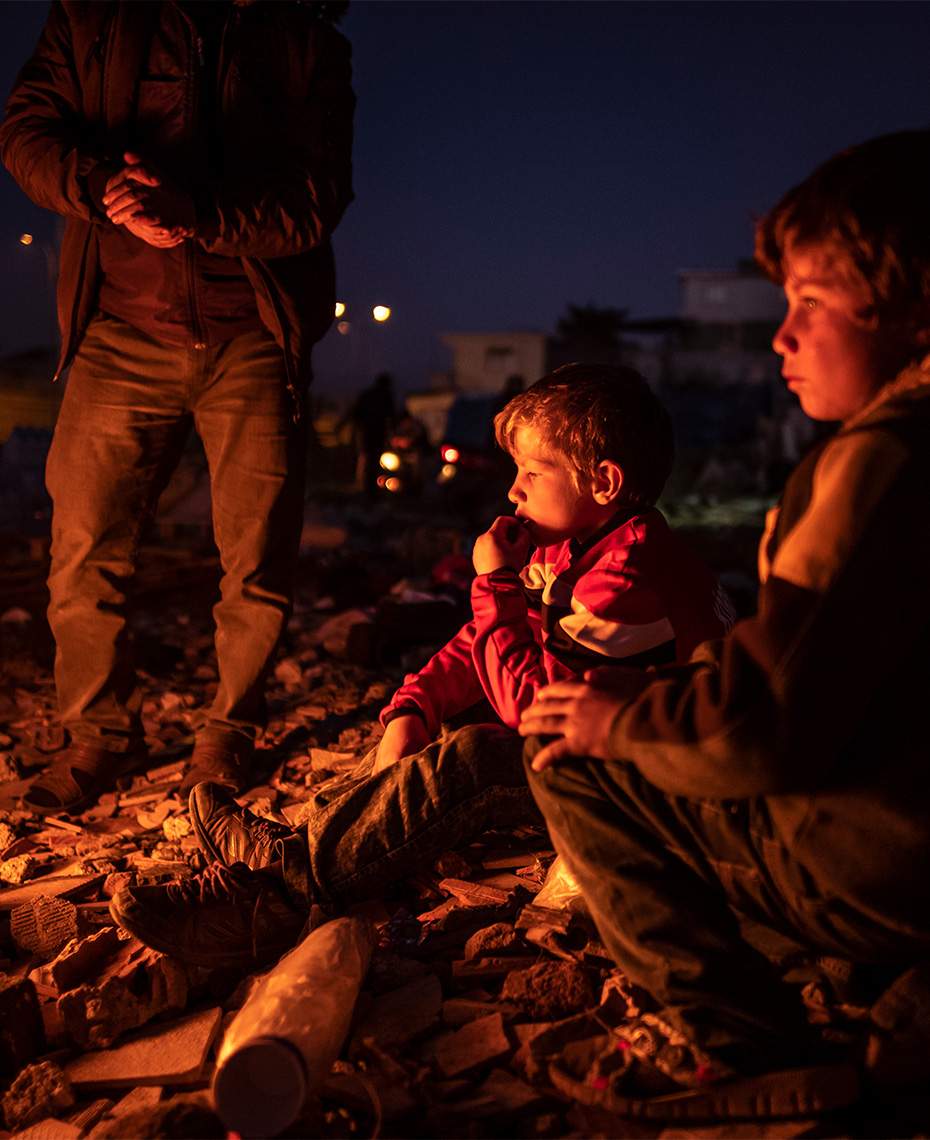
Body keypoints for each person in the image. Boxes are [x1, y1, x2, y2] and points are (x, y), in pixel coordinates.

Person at [513, 130, 930, 1105]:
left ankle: (738, 1036)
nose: (782, 337)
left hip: (887, 861)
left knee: (569, 764)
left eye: (809, 306)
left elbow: (763, 733)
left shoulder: (881, 464)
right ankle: (851, 979)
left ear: (913, 311)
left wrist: (617, 722)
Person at [108, 362, 735, 968]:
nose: (513, 490)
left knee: (469, 759)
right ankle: (298, 846)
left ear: (602, 483)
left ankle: (280, 898)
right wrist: (413, 706)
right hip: (591, 737)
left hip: (646, 782)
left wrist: (495, 580)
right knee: (412, 734)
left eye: (532, 472)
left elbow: (539, 716)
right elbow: (479, 643)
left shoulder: (628, 576)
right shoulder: (580, 542)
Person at [0, 1, 355, 812]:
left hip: (254, 338)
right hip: (119, 332)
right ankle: (98, 737)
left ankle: (228, 733)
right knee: (84, 545)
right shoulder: (91, 19)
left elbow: (316, 195)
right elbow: (25, 133)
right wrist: (101, 187)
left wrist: (196, 215)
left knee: (256, 555)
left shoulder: (305, 43)